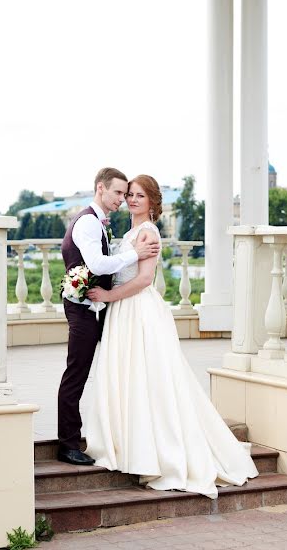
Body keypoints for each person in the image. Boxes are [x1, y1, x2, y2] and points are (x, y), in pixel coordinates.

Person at [84, 174, 258, 498]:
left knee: (149, 381)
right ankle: (131, 446)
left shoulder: (147, 232)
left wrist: (108, 297)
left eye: (139, 196)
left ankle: (157, 453)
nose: (132, 200)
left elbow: (145, 279)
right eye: (130, 195)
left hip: (137, 310)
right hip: (125, 311)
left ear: (152, 201)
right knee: (132, 379)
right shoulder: (131, 232)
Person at [56, 167, 160, 466]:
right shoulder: (88, 223)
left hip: (107, 308)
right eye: (120, 193)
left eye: (130, 194)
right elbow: (98, 264)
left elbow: (138, 277)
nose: (124, 199)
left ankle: (122, 434)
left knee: (122, 372)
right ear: (101, 189)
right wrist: (133, 255)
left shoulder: (107, 224)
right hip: (85, 308)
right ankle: (68, 443)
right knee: (77, 374)